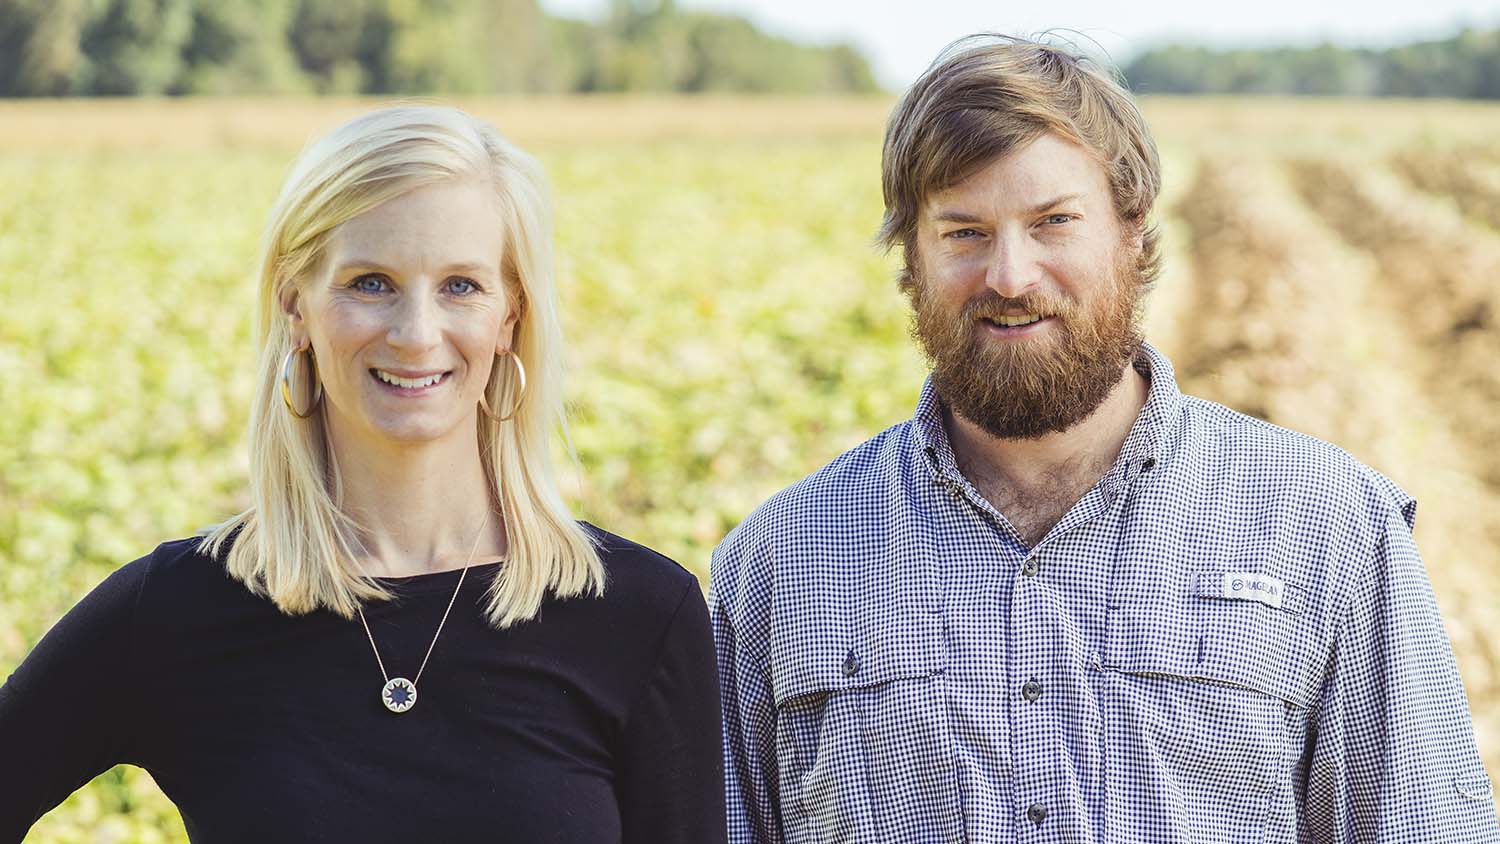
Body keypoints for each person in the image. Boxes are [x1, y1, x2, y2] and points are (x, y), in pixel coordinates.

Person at [710, 35, 1499, 843]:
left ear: (1132, 233)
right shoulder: (778, 565)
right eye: (963, 233)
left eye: (1054, 222)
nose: (1011, 276)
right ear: (910, 257)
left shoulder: (1329, 526)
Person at [0, 105, 726, 843]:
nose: (416, 334)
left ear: (511, 316)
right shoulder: (175, 609)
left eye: (461, 286)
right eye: (371, 282)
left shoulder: (641, 614)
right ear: (296, 306)